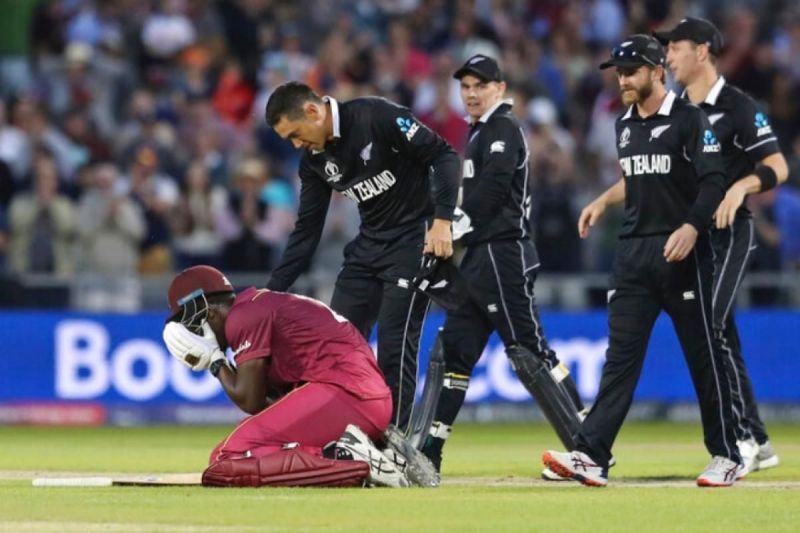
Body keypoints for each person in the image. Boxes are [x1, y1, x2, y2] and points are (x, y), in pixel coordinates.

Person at [542, 35, 742, 487]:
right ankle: (592, 455)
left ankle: (727, 454)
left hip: (684, 253)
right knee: (619, 361)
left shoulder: (691, 121)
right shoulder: (624, 125)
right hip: (633, 255)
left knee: (704, 357)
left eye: (631, 72)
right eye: (619, 73)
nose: (623, 81)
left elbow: (714, 182)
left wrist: (692, 227)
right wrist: (604, 200)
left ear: (657, 71)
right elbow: (639, 177)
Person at [416, 55, 585, 478]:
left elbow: (492, 192)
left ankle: (588, 449)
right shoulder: (481, 132)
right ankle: (426, 453)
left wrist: (448, 229)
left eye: (480, 85)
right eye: (466, 86)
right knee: (450, 352)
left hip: (502, 252)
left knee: (529, 352)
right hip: (481, 256)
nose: (471, 93)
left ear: (501, 89)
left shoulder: (504, 128)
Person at [263, 82, 461, 431]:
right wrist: (271, 292)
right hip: (368, 246)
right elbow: (307, 231)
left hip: (416, 240)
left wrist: (443, 221)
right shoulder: (314, 161)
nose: (296, 144)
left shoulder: (378, 116)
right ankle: (340, 432)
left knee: (393, 345)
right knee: (336, 342)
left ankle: (394, 443)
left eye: (295, 134)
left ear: (313, 111)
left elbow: (444, 155)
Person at [655, 16, 788, 476]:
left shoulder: (737, 105)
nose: (668, 56)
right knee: (721, 333)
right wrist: (604, 197)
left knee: (710, 325)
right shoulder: (674, 111)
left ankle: (743, 438)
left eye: (675, 47)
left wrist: (741, 187)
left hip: (730, 233)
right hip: (693, 238)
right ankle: (758, 438)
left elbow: (777, 165)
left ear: (703, 51)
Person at [162, 265, 422, 488]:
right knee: (254, 448)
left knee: (226, 458)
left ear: (208, 312)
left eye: (190, 325)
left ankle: (348, 458)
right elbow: (271, 405)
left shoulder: (243, 317)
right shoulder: (259, 305)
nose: (192, 334)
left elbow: (249, 401)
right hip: (363, 400)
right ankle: (372, 452)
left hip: (346, 395)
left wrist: (216, 363)